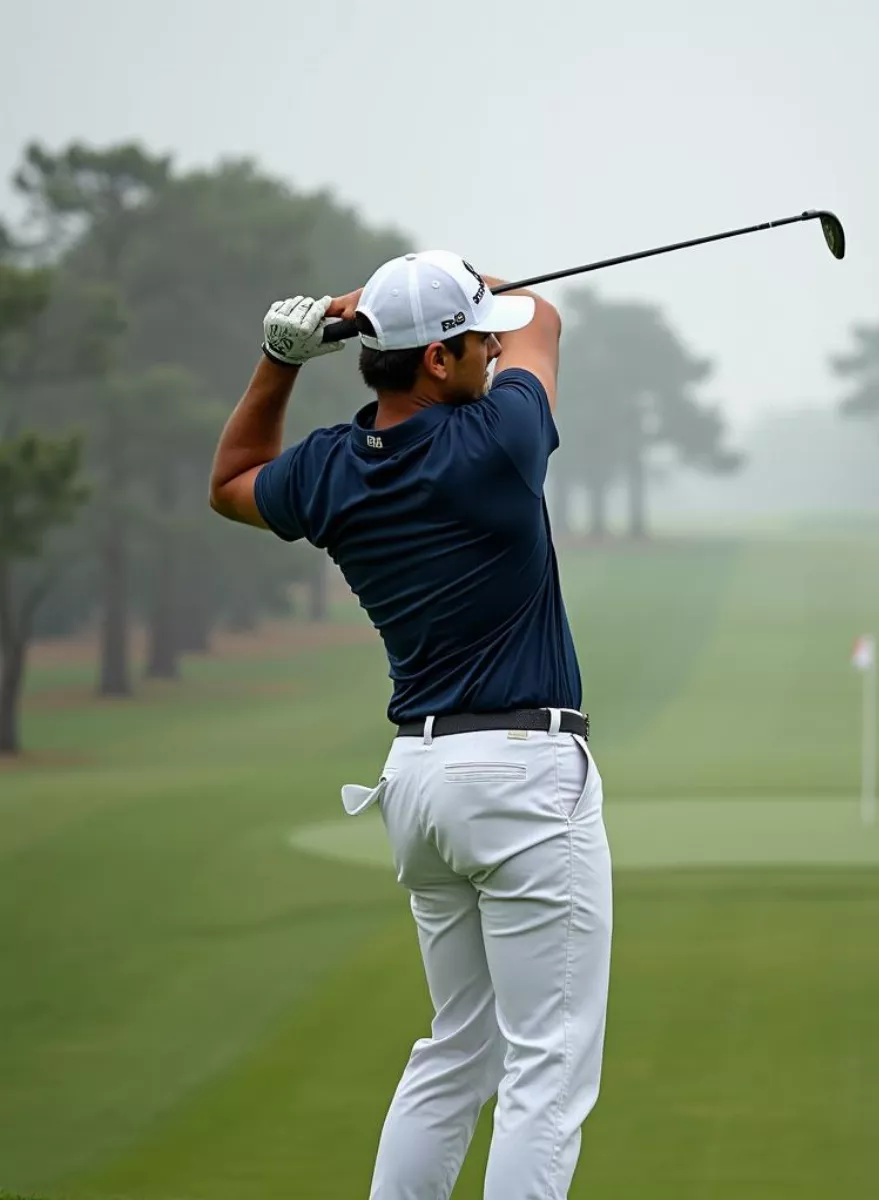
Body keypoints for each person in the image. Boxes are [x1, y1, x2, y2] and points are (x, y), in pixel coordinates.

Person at [208, 251, 613, 1200]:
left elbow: (232, 479)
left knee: (457, 1050)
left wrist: (284, 355)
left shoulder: (331, 470)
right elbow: (541, 319)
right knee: (545, 1068)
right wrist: (455, 282)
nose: (488, 351)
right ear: (438, 360)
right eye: (472, 340)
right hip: (521, 778)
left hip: (419, 786)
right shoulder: (500, 439)